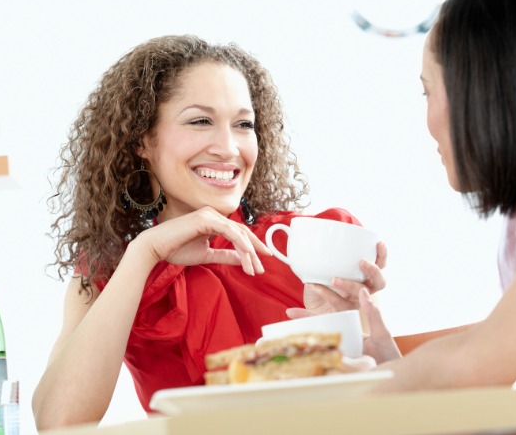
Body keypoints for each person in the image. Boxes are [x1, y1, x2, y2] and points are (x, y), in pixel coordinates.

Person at [31, 34, 387, 430]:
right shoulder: (113, 270)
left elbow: (376, 400)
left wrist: (358, 332)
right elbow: (58, 422)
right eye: (201, 121)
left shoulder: (302, 246)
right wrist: (145, 253)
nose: (228, 147)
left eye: (243, 124)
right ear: (142, 140)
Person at [345, 0, 516, 415]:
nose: (426, 124)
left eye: (428, 92)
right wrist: (391, 365)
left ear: (483, 91)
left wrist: (354, 399)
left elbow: (483, 359)